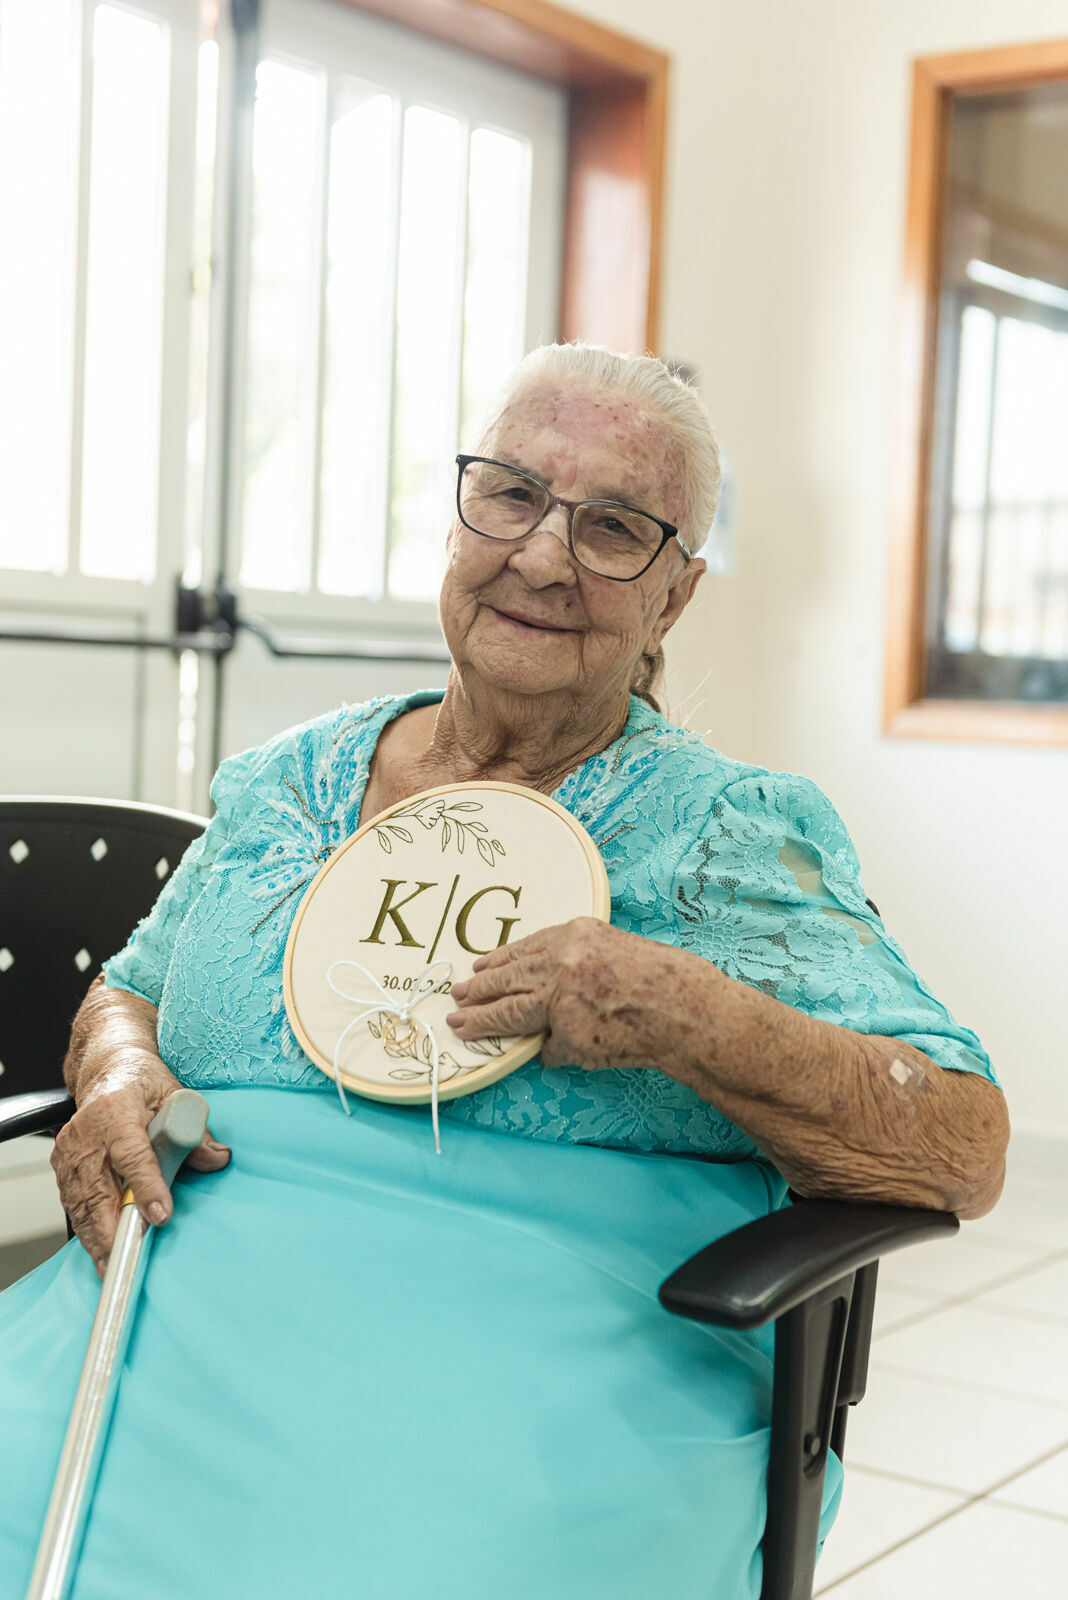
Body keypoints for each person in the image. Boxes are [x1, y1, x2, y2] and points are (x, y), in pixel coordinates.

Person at [0, 345, 1008, 1600]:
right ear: (459, 512)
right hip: (176, 1298)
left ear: (674, 596)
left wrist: (687, 1015)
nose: (542, 555)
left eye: (614, 528)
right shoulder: (284, 779)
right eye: (513, 495)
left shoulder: (730, 831)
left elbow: (961, 1139)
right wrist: (118, 1071)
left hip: (537, 1355)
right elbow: (134, 986)